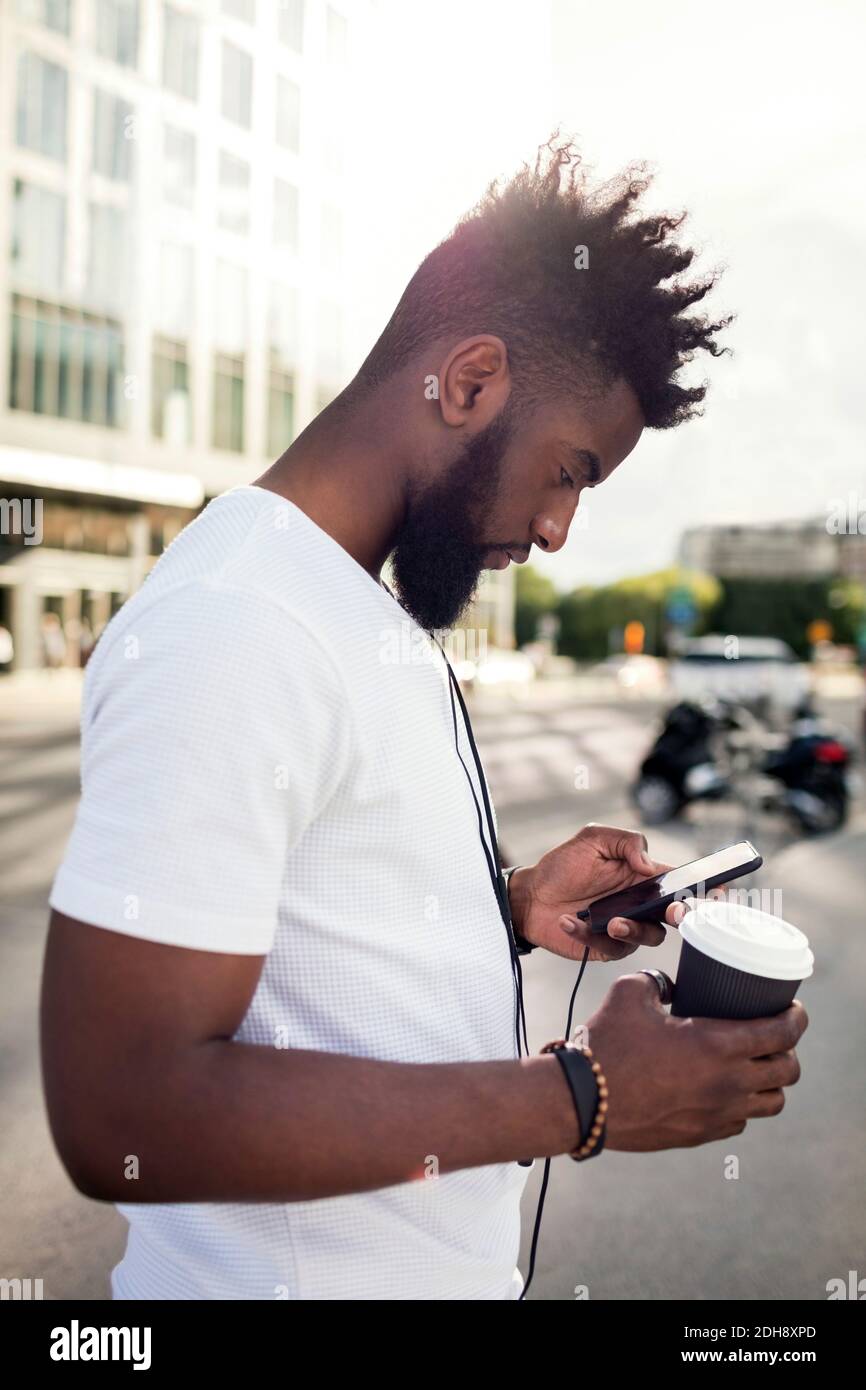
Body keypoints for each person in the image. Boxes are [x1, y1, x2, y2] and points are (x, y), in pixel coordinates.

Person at [41, 139, 806, 1301]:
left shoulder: (352, 603)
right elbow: (122, 1107)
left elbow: (306, 934)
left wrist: (507, 905)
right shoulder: (235, 622)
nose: (557, 531)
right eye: (570, 471)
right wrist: (583, 1096)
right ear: (468, 381)